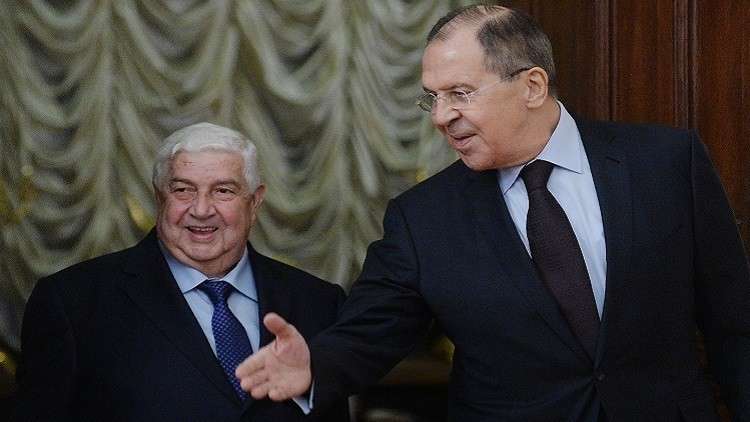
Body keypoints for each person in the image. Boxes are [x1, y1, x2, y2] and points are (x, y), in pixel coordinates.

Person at [235, 5, 750, 422]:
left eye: (459, 94)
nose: (441, 117)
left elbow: (733, 321)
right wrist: (315, 367)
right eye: (432, 98)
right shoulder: (423, 218)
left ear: (532, 86)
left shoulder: (665, 163)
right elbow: (371, 331)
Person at [13, 123, 349, 421]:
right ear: (159, 197)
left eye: (223, 190)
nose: (201, 210)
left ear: (255, 202)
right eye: (183, 190)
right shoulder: (73, 303)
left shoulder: (319, 303)